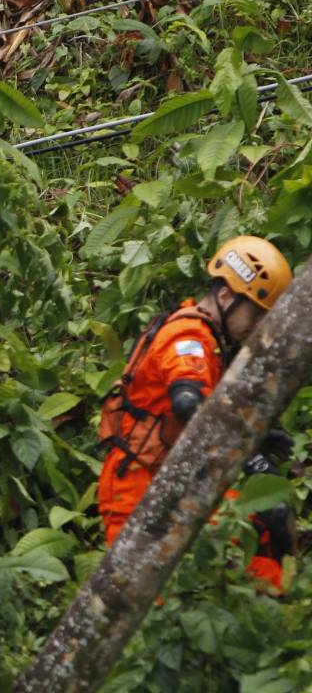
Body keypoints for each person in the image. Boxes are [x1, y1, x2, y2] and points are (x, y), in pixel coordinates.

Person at [97, 235, 297, 591]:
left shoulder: (199, 333)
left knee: (264, 526)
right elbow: (189, 403)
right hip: (137, 487)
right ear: (225, 296)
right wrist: (248, 455)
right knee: (138, 599)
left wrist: (258, 437)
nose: (257, 328)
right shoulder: (189, 335)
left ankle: (275, 613)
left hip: (170, 480)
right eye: (256, 314)